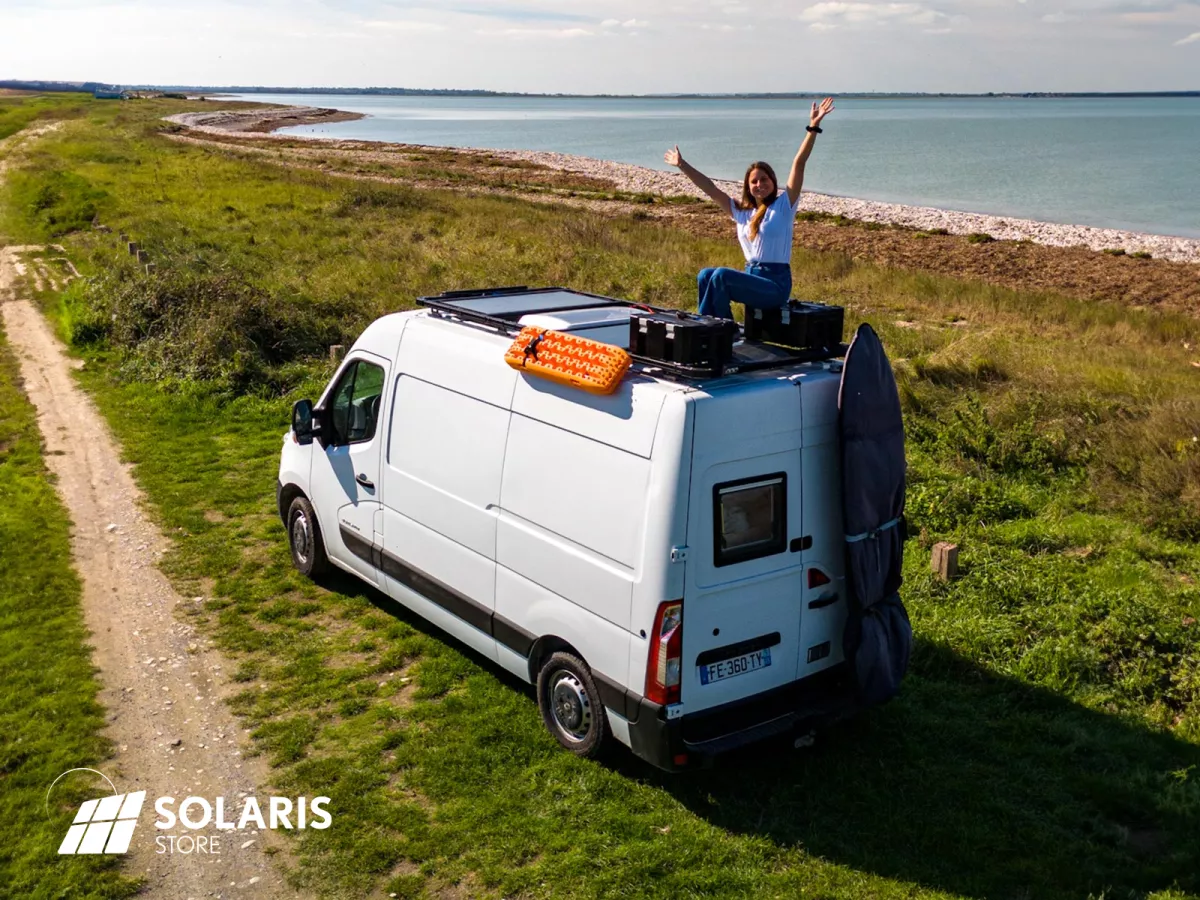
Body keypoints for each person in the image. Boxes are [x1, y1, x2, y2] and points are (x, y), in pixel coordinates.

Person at [664, 97, 835, 321]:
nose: (759, 184)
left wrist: (813, 127)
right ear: (748, 186)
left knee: (722, 276)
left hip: (775, 285)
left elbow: (798, 163)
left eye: (764, 179)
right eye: (754, 181)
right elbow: (710, 188)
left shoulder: (784, 205)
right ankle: (717, 327)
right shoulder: (741, 212)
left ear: (773, 182)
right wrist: (682, 165)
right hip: (752, 277)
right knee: (706, 275)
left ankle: (713, 328)